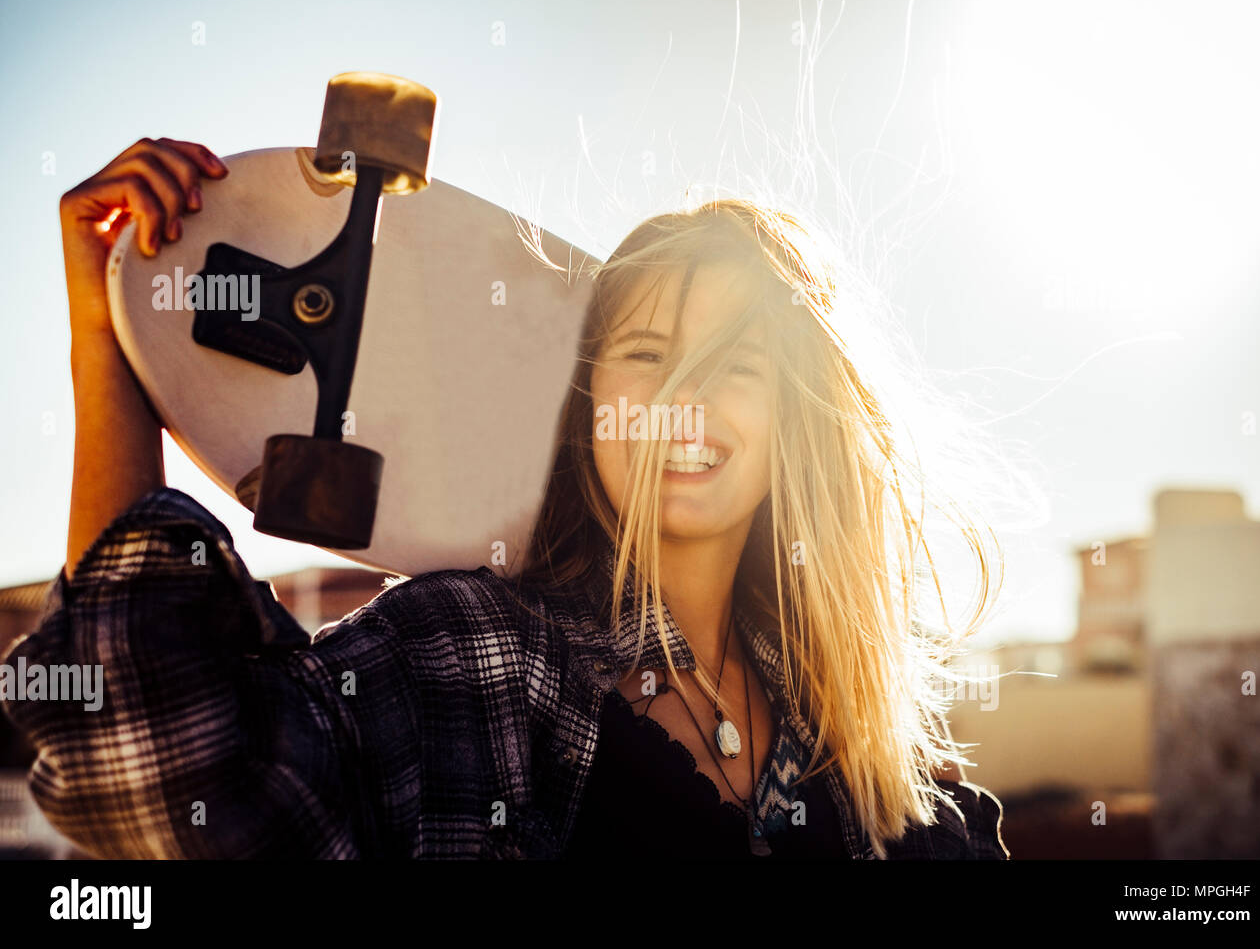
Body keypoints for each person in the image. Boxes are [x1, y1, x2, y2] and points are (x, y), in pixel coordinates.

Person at [1, 137, 1010, 859]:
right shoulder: (470, 649)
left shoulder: (871, 750)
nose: (679, 402)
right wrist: (110, 342)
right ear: (585, 398)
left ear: (799, 417)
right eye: (646, 356)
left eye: (734, 365)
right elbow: (147, 768)